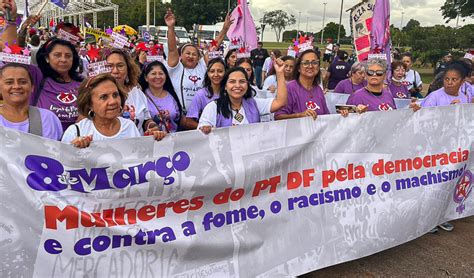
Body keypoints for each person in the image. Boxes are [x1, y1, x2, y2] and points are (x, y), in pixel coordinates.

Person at [62, 74, 166, 148]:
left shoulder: (129, 126)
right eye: (104, 97)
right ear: (89, 104)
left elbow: (138, 161)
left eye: (115, 95)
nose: (113, 101)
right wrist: (74, 150)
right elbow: (63, 171)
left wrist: (154, 141)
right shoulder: (75, 132)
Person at [164, 9, 230, 113]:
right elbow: (172, 49)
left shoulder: (202, 65)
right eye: (187, 53)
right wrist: (171, 27)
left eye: (194, 54)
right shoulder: (176, 67)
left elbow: (214, 46)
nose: (191, 56)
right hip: (181, 116)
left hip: (202, 114)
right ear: (181, 55)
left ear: (199, 57)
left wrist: (225, 29)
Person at [198, 59, 288, 132]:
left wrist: (280, 73)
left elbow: (281, 102)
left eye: (242, 81)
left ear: (247, 85)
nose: (237, 86)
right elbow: (201, 134)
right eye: (232, 82)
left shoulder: (254, 103)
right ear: (225, 86)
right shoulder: (213, 107)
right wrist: (207, 131)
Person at [0, 63, 63, 140]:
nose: (16, 86)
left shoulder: (47, 118)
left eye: (23, 82)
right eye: (9, 82)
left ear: (32, 87)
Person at [106, 48, 156, 135]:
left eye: (120, 66)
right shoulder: (94, 96)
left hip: (137, 147)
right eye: (110, 66)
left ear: (128, 69)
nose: (115, 71)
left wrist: (152, 127)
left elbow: (145, 120)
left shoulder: (137, 92)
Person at [274, 49, 330, 121]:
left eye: (315, 63)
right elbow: (278, 117)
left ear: (319, 67)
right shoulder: (289, 88)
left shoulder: (318, 89)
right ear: (298, 68)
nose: (310, 66)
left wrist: (342, 115)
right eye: (305, 63)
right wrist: (299, 115)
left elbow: (327, 116)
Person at [139, 61, 187, 133]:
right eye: (153, 73)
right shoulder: (141, 96)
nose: (158, 77)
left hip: (173, 141)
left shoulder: (172, 96)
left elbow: (180, 120)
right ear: (146, 78)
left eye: (161, 73)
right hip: (150, 141)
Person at [186, 58, 226, 128]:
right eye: (212, 71)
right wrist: (204, 127)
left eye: (220, 71)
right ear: (208, 73)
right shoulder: (201, 94)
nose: (216, 74)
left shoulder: (230, 92)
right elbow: (189, 121)